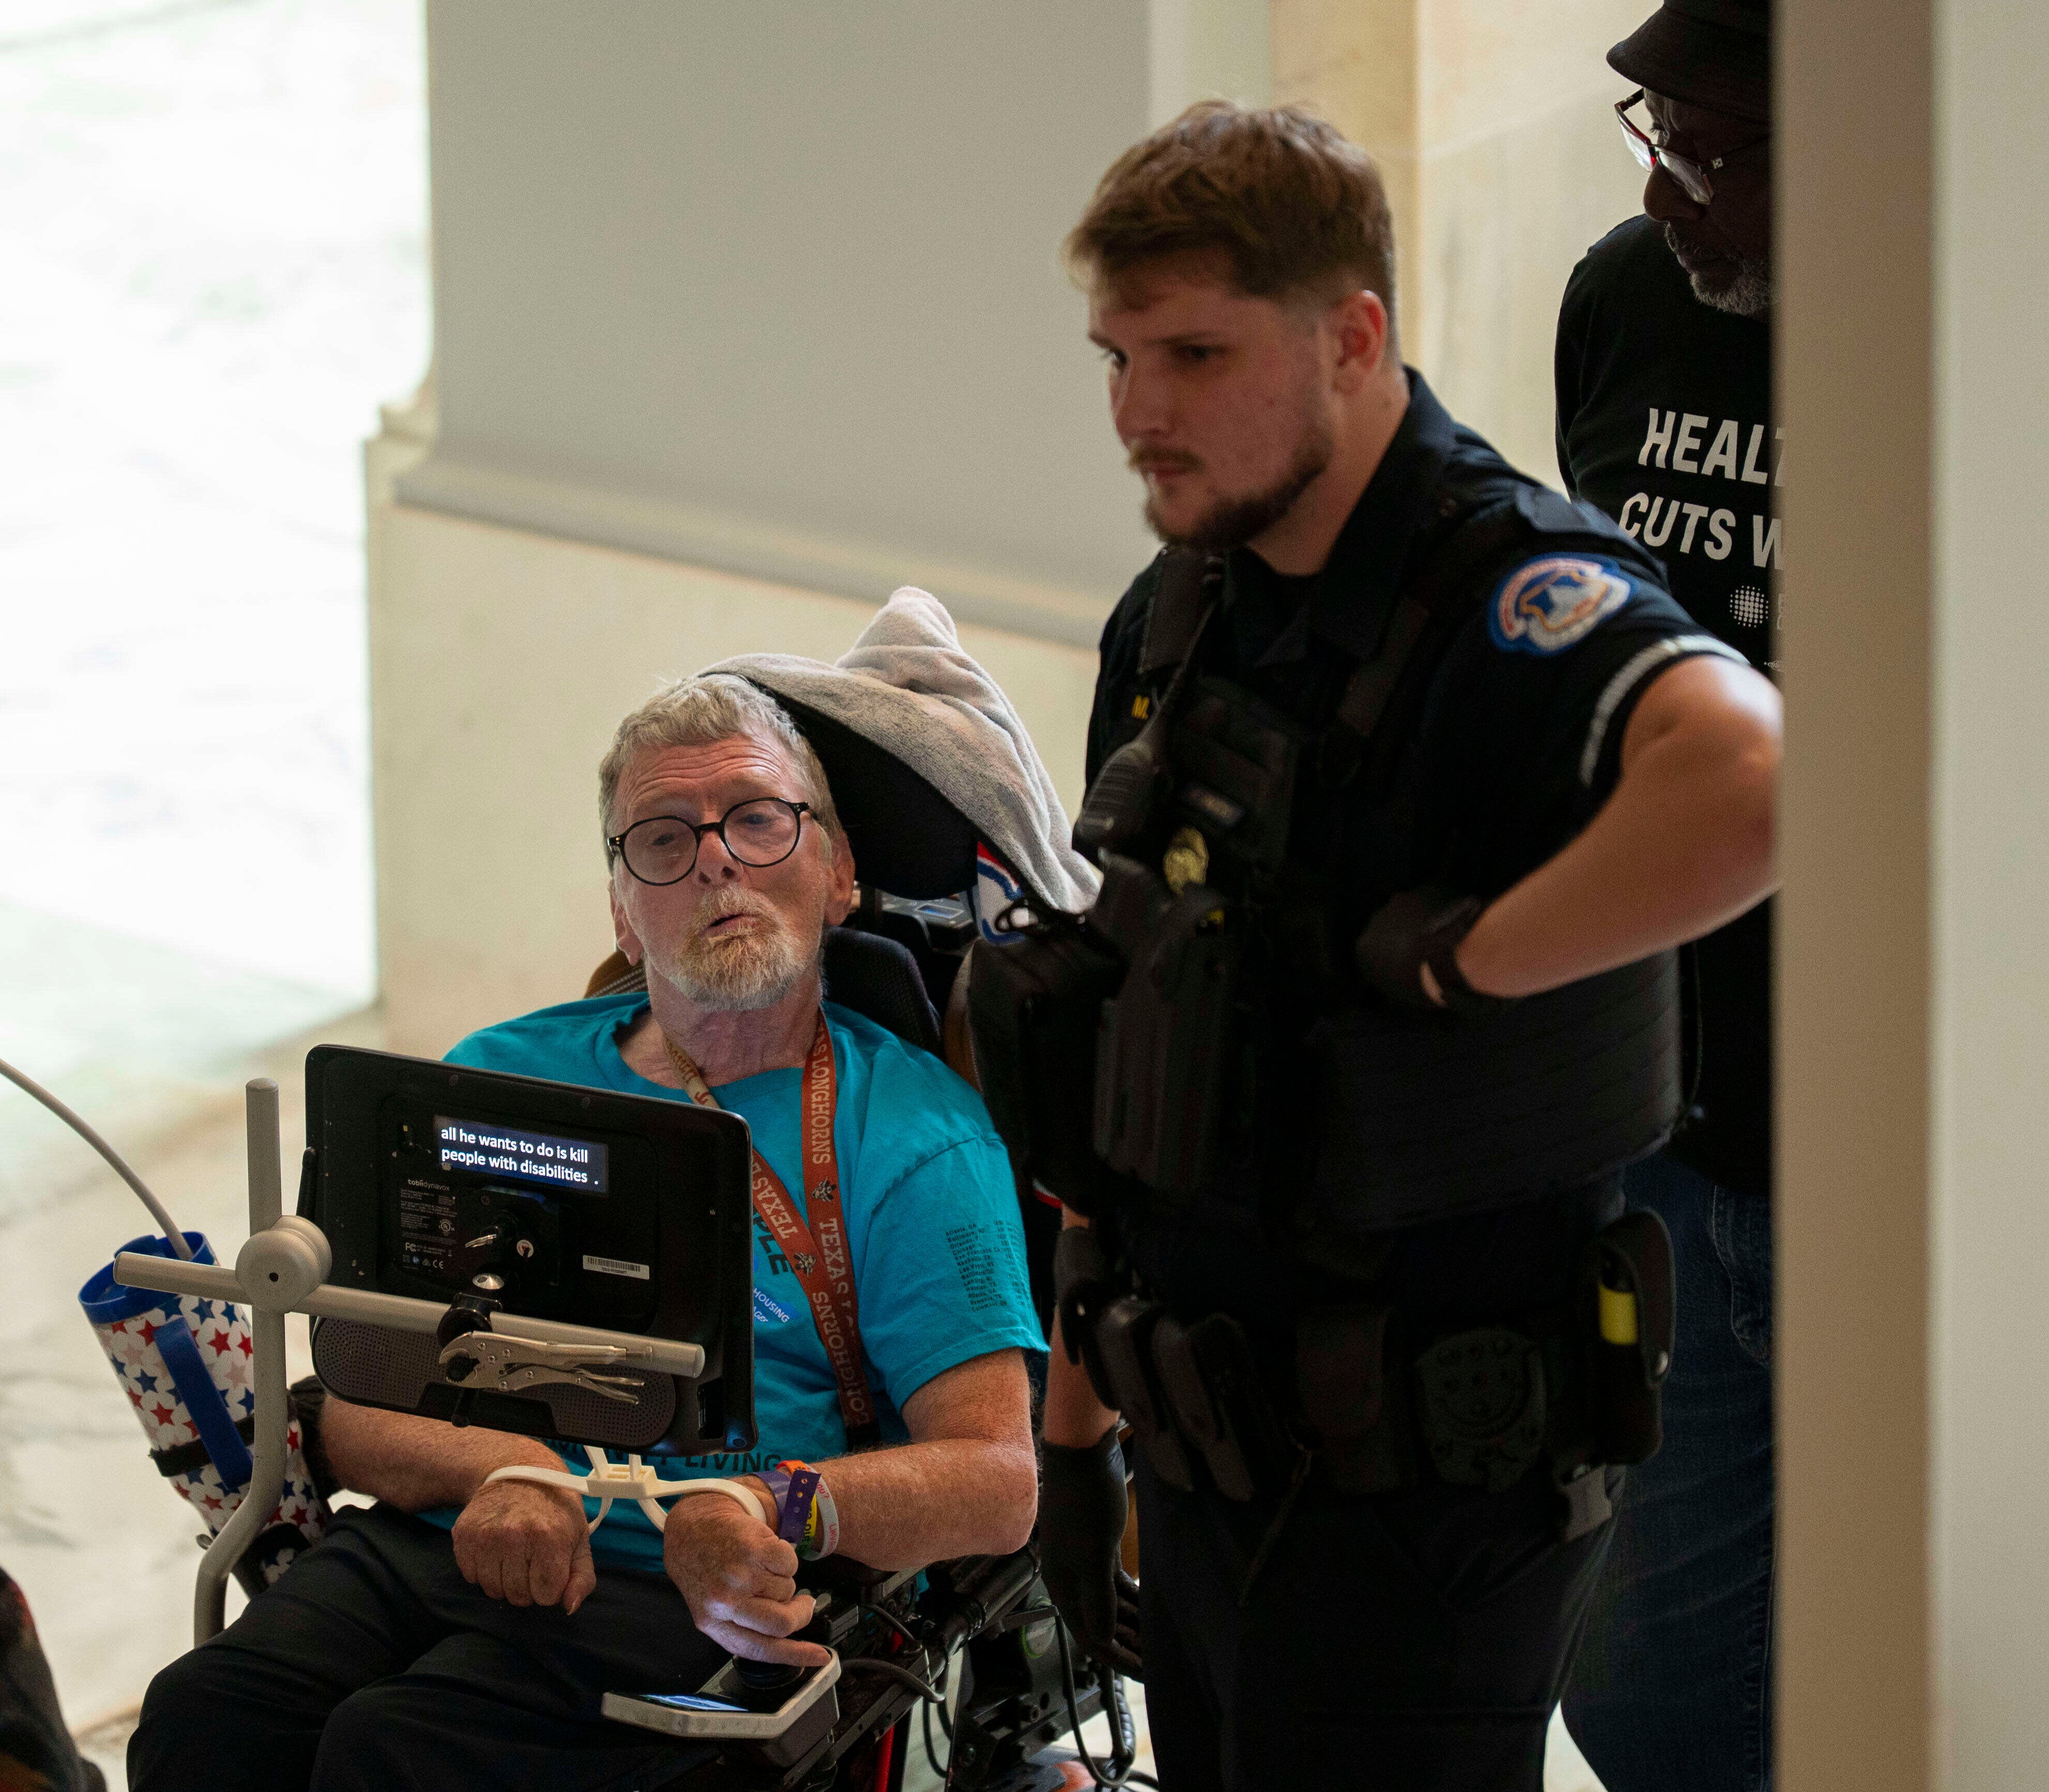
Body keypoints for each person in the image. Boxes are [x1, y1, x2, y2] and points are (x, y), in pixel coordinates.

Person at [1023, 103, 1782, 1789]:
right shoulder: (1184, 604)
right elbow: (1114, 1034)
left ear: (1349, 336)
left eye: (1195, 352)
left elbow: (1747, 779)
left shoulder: (1501, 593)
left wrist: (1463, 964)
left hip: (1416, 1510)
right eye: (1116, 354)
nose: (1139, 412)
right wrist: (1072, 1441)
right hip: (1198, 1460)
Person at [129, 675, 1050, 1792]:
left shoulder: (913, 1136)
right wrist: (507, 1469)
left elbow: (997, 1481)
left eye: (759, 818)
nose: (715, 859)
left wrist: (764, 1503)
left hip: (690, 1581)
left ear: (839, 870)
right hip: (458, 1527)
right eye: (664, 837)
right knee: (206, 1713)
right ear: (621, 908)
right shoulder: (490, 1081)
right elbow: (352, 1407)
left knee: (398, 1751)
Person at [1552, 6, 1777, 1788]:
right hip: (1659, 1123)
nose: (1676, 193)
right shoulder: (1621, 301)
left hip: (1894, 1169)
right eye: (1657, 135)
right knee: (1643, 1699)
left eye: (1723, 154)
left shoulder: (1972, 340)